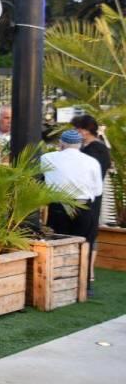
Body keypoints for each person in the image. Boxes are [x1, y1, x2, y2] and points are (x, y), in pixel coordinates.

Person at [42, 130, 103, 256]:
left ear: (61, 143)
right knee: (81, 247)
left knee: (57, 247)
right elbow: (98, 191)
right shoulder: (92, 161)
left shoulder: (47, 158)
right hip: (83, 207)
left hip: (58, 207)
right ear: (80, 145)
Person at [72, 114, 111, 295]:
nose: (75, 132)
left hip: (90, 200)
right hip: (81, 199)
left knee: (87, 238)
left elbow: (94, 176)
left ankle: (85, 281)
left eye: (77, 129)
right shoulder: (85, 147)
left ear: (85, 130)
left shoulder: (97, 149)